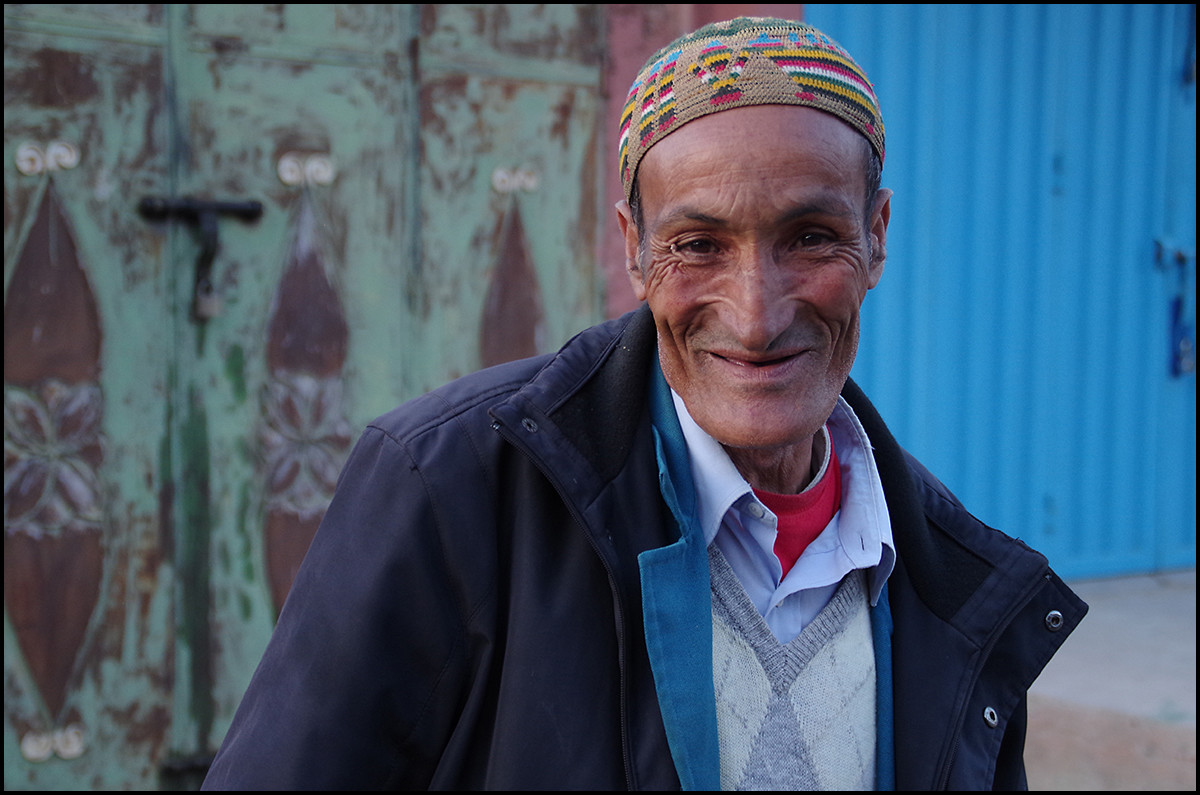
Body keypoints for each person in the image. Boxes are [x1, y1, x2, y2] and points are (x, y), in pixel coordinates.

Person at [202, 17, 1086, 791]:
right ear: (634, 249)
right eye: (698, 244)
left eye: (811, 238)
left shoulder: (951, 578)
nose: (756, 313)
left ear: (878, 235)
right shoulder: (450, 487)